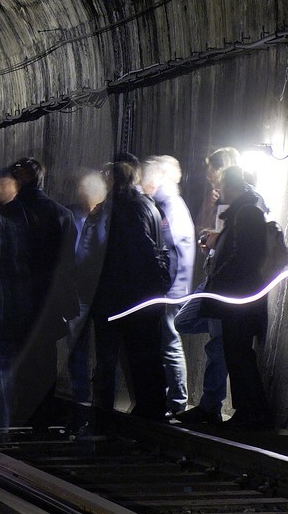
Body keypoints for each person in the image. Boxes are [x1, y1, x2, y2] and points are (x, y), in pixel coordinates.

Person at [0, 157, 78, 429]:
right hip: (48, 301)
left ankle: (18, 414)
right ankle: (42, 416)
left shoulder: (6, 214)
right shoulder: (63, 214)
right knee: (45, 360)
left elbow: (0, 260)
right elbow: (68, 264)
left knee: (16, 359)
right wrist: (67, 303)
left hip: (15, 299)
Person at [176, 147, 257, 425]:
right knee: (184, 320)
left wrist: (218, 238)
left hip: (226, 284)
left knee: (218, 343)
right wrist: (210, 208)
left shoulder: (248, 202)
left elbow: (242, 243)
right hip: (212, 277)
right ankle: (212, 405)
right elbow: (200, 231)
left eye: (212, 173)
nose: (209, 178)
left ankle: (211, 405)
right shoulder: (221, 199)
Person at [87, 157, 172, 418]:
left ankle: (107, 417)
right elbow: (159, 250)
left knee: (111, 360)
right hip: (140, 297)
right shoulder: (147, 205)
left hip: (120, 297)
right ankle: (151, 411)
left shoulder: (123, 209)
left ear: (115, 179)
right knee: (145, 357)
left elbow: (138, 250)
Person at [202, 165, 275, 429]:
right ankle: (251, 413)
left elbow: (244, 257)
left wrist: (218, 277)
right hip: (237, 298)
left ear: (229, 186)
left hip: (240, 300)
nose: (217, 191)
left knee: (240, 356)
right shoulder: (241, 211)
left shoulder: (246, 212)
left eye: (220, 186)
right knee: (238, 355)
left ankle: (251, 414)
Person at [141, 156, 195, 414]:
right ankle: (170, 399)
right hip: (172, 289)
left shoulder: (170, 206)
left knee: (170, 342)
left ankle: (177, 401)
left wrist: (170, 290)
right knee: (165, 342)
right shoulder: (168, 204)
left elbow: (175, 250)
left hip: (171, 291)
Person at [66, 170, 109, 422]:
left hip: (98, 291)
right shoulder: (72, 214)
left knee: (100, 349)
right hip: (80, 290)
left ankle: (95, 400)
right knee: (77, 346)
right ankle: (80, 395)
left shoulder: (106, 218)